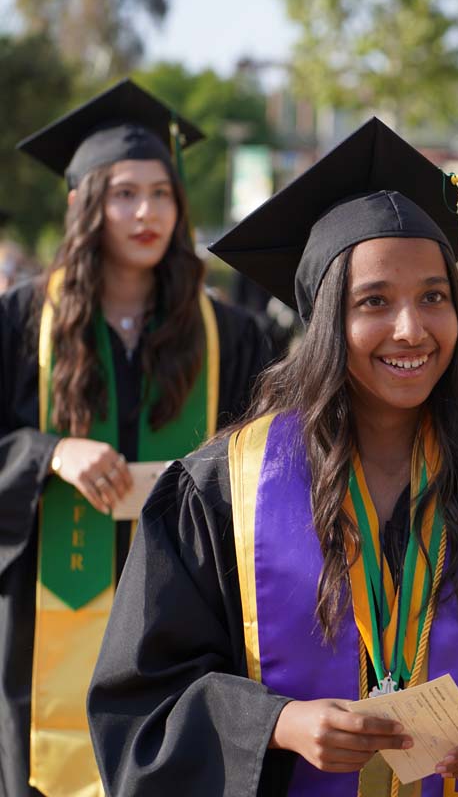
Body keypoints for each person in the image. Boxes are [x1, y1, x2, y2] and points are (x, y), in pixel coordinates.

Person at [87, 117, 458, 797]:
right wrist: (276, 724)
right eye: (374, 301)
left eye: (433, 296)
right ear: (325, 323)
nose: (411, 328)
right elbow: (139, 703)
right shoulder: (221, 494)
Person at [0, 79, 272, 797]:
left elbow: (269, 462)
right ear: (83, 204)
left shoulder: (231, 335)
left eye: (161, 193)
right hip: (41, 626)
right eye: (123, 194)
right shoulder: (21, 322)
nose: (146, 211)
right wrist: (46, 451)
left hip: (182, 610)